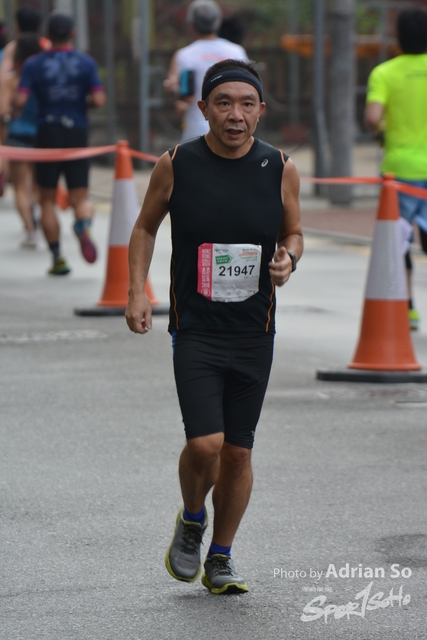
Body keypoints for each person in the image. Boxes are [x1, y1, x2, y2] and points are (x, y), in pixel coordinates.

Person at [126, 59, 303, 594]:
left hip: (255, 329)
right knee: (206, 444)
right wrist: (137, 290)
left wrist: (289, 259)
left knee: (238, 451)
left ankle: (220, 558)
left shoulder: (280, 167)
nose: (235, 115)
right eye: (223, 103)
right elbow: (144, 228)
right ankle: (191, 518)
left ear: (261, 111)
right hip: (196, 328)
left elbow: (294, 233)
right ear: (203, 109)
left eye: (246, 104)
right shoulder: (177, 163)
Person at [14, 10, 106, 275]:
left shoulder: (33, 64)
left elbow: (20, 99)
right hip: (76, 131)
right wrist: (81, 106)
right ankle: (83, 223)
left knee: (46, 199)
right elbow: (99, 100)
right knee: (80, 196)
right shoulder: (86, 63)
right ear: (73, 34)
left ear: (47, 34)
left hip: (47, 132)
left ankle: (57, 258)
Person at [365, 8, 427, 330]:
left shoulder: (384, 73)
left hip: (399, 171)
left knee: (398, 242)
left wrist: (382, 132)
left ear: (398, 37)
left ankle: (408, 308)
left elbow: (373, 117)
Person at [164, 0, 248, 142]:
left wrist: (172, 88)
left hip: (196, 131)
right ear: (218, 23)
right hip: (233, 128)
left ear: (191, 25)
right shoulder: (237, 52)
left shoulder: (184, 56)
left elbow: (181, 93)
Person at [0, 34, 41, 247]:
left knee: (20, 187)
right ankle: (38, 212)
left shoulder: (11, 80)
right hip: (42, 137)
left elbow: (2, 111)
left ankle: (30, 230)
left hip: (18, 137)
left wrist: (10, 113)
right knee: (38, 184)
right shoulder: (43, 76)